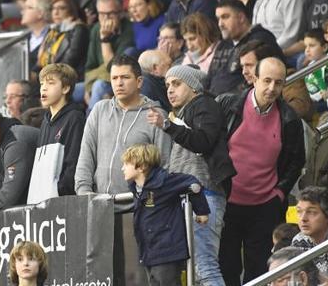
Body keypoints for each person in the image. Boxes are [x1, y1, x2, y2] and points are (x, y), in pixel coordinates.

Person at [217, 57, 305, 285]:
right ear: (254, 79)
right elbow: (212, 146)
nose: (272, 88)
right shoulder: (229, 105)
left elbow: (296, 161)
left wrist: (279, 193)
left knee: (259, 271)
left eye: (279, 83)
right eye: (267, 81)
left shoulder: (289, 118)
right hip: (227, 202)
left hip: (265, 206)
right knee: (227, 267)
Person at [145, 64, 234, 286]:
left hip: (205, 195)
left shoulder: (204, 104)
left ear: (194, 87)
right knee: (197, 269)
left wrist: (167, 125)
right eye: (167, 85)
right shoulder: (182, 113)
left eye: (176, 83)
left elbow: (202, 141)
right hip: (191, 197)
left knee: (204, 266)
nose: (170, 90)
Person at [74, 54, 171, 206]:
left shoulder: (156, 116)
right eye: (114, 78)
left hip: (138, 209)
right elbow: (86, 156)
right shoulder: (99, 110)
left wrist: (149, 204)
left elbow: (164, 165)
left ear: (139, 82)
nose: (119, 83)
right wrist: (84, 194)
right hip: (98, 207)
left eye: (125, 77)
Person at [123, 143, 209, 285]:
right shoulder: (137, 189)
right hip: (150, 253)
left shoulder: (164, 182)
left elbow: (193, 184)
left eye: (126, 164)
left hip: (167, 253)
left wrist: (202, 211)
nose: (123, 168)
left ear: (142, 167)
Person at [30, 64, 85, 201]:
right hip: (41, 200)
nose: (43, 87)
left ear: (65, 88)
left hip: (62, 201)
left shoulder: (75, 118)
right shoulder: (45, 121)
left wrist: (59, 191)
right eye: (42, 83)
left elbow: (73, 162)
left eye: (51, 83)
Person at [207, 0, 281, 96]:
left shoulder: (261, 39)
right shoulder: (224, 44)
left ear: (241, 17)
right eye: (218, 19)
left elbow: (256, 81)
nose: (220, 24)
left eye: (225, 17)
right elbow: (211, 77)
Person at [288, 186, 328, 281]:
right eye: (299, 211)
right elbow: (295, 279)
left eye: (311, 212)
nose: (303, 218)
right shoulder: (299, 240)